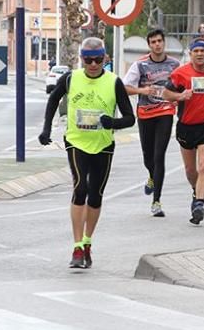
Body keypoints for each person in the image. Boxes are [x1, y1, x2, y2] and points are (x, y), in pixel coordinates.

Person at [39, 37, 135, 269]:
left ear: (105, 59)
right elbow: (53, 99)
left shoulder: (114, 82)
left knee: (96, 194)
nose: (93, 64)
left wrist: (111, 122)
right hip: (76, 141)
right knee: (80, 186)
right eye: (88, 60)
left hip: (103, 144)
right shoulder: (71, 78)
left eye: (98, 60)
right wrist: (46, 128)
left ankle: (88, 241)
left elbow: (130, 118)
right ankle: (76, 247)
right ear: (81, 59)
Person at [163, 38, 204, 225]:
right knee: (191, 170)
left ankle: (199, 204)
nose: (199, 54)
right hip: (186, 126)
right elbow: (165, 94)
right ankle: (195, 190)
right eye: (196, 51)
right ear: (191, 54)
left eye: (203, 50)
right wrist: (180, 95)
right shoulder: (180, 73)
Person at [123, 29, 180, 217]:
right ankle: (151, 176)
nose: (157, 44)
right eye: (153, 42)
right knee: (148, 156)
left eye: (159, 41)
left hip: (165, 111)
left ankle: (156, 201)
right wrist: (143, 91)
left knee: (159, 155)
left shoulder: (174, 64)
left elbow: (183, 85)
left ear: (164, 43)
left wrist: (179, 98)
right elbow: (125, 88)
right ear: (149, 45)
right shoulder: (140, 65)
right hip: (145, 113)